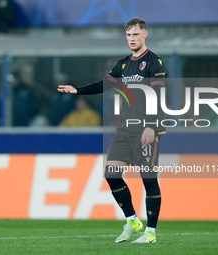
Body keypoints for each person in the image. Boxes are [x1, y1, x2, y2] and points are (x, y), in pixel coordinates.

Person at [58, 18, 167, 244]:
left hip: (145, 129)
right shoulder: (123, 64)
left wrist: (151, 126)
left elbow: (158, 96)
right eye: (128, 35)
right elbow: (104, 84)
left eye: (136, 34)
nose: (132, 39)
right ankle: (132, 220)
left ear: (145, 34)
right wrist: (77, 90)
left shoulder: (154, 62)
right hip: (124, 129)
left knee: (148, 180)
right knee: (112, 174)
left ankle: (151, 233)